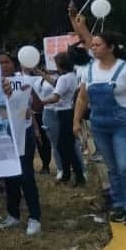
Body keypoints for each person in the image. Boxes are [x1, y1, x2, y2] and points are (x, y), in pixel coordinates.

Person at [74, 32, 126, 226]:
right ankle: (119, 204)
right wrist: (76, 121)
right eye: (93, 45)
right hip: (99, 124)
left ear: (111, 47)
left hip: (123, 123)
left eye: (98, 45)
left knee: (124, 166)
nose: (93, 48)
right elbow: (82, 98)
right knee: (112, 168)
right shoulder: (87, 70)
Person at [0, 53, 42, 236]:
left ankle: (35, 218)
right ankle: (13, 214)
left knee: (26, 176)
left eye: (6, 62)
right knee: (10, 177)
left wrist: (30, 98)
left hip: (24, 134)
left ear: (13, 64)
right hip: (5, 136)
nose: (3, 66)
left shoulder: (24, 81)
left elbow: (38, 106)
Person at [41, 52, 86, 186]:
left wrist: (41, 102)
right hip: (69, 112)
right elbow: (56, 83)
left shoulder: (64, 78)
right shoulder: (71, 76)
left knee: (65, 147)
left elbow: (56, 96)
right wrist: (41, 74)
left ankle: (78, 176)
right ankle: (67, 173)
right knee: (65, 146)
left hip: (63, 113)